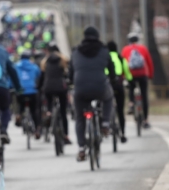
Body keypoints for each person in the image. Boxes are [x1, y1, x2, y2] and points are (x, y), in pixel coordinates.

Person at [70, 27, 116, 162]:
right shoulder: (104, 51)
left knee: (80, 118)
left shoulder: (76, 51)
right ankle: (105, 123)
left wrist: (71, 82)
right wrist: (112, 79)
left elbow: (71, 72)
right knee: (108, 97)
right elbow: (111, 70)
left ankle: (81, 148)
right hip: (100, 87)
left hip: (80, 88)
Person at [121, 32, 154, 128]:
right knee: (144, 96)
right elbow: (149, 62)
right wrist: (150, 75)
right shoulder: (143, 48)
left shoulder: (125, 49)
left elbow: (122, 63)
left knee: (131, 88)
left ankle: (131, 104)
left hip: (131, 75)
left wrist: (123, 76)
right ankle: (145, 120)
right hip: (143, 74)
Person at [41, 44, 71, 145]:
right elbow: (67, 75)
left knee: (49, 101)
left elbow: (42, 77)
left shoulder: (45, 61)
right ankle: (66, 136)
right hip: (60, 87)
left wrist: (39, 87)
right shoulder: (62, 60)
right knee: (63, 112)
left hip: (48, 87)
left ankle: (49, 113)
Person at [107, 41, 132, 143]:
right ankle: (123, 133)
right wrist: (130, 81)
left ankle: (106, 125)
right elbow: (127, 71)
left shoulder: (105, 58)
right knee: (120, 110)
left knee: (105, 105)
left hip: (107, 85)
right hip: (118, 85)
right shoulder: (121, 58)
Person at [14, 50, 42, 137]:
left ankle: (19, 114)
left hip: (21, 91)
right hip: (32, 91)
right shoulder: (34, 66)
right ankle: (37, 129)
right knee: (34, 110)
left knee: (20, 104)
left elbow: (12, 77)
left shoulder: (16, 66)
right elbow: (39, 75)